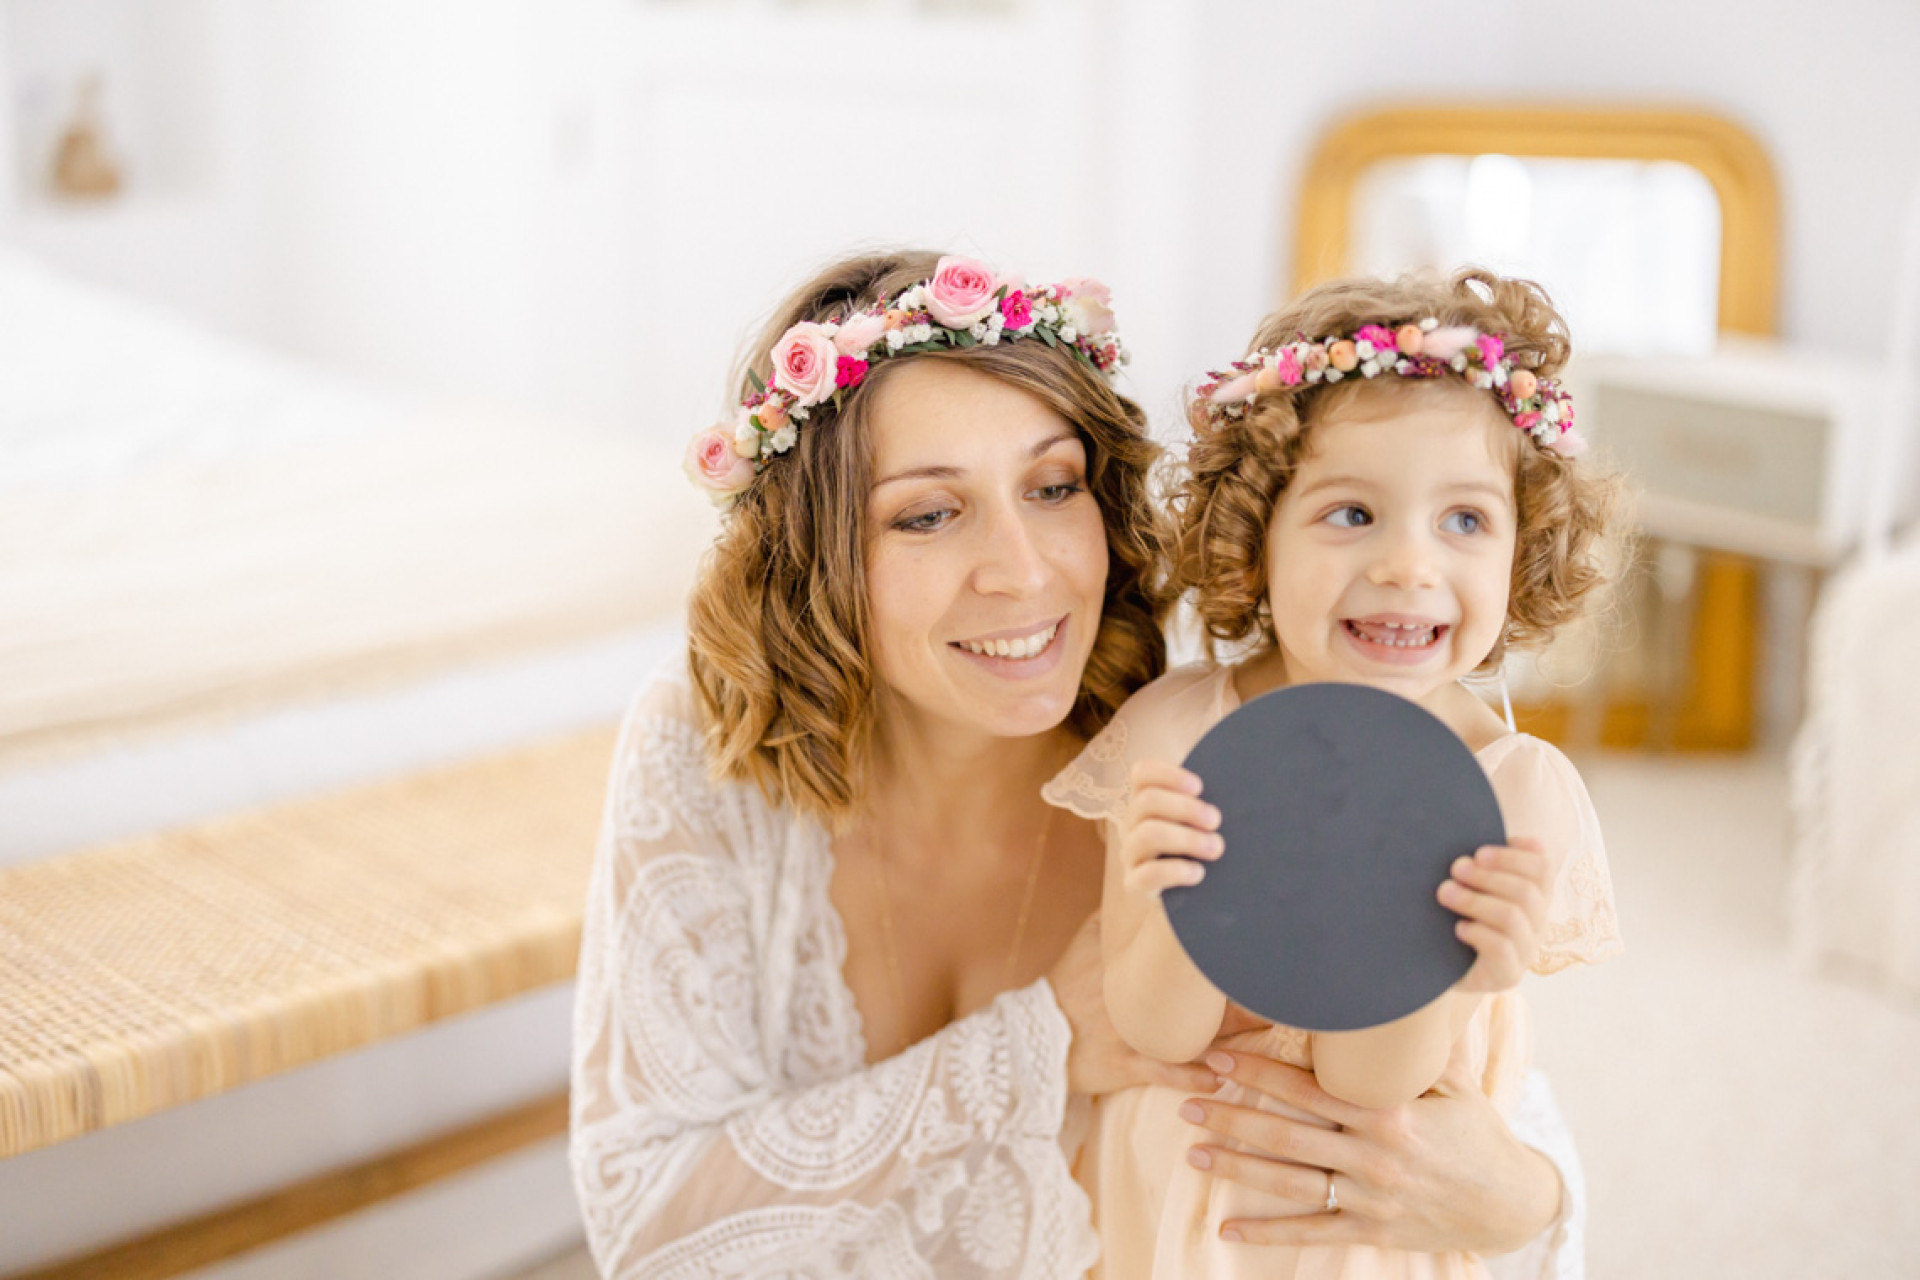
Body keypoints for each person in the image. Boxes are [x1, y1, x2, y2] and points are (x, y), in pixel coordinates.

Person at [568, 250, 1592, 1278]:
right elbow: (644, 1221)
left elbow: (1456, 1072)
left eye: (1053, 486)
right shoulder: (704, 741)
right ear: (812, 549)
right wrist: (1040, 1042)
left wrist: (1524, 1197)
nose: (1024, 570)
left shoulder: (1213, 746)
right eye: (928, 511)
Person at [1043, 268, 1625, 1279]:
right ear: (1254, 536)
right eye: (1352, 513)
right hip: (1171, 1180)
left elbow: (1371, 1083)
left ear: (1521, 551)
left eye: (1466, 520)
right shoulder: (1180, 728)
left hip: (1362, 1213)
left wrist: (1449, 962)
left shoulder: (1511, 787)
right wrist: (1174, 894)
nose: (1409, 564)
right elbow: (1154, 1027)